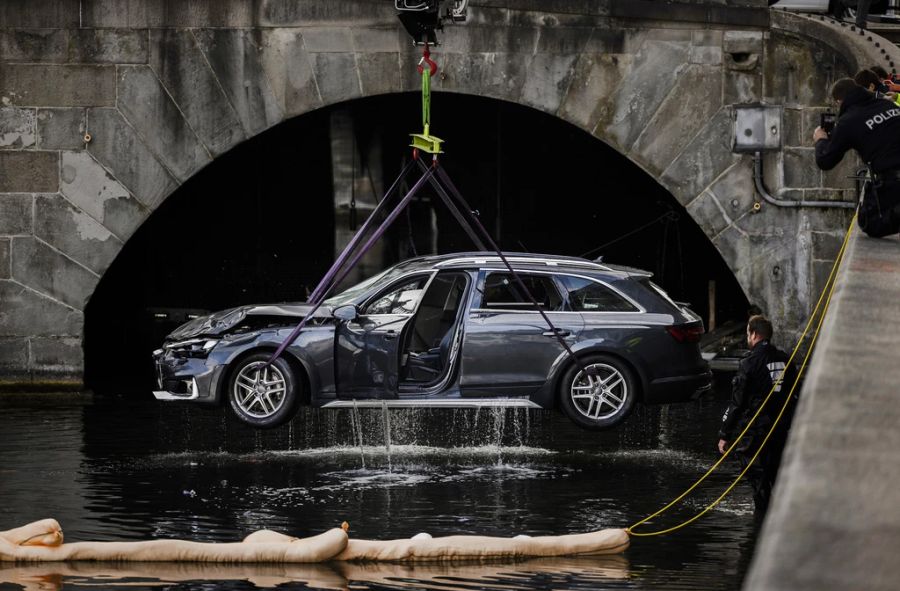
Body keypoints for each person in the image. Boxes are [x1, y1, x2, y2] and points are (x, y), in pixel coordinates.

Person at [717, 315, 797, 513]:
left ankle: (762, 516)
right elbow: (794, 394)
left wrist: (724, 434)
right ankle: (780, 510)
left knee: (754, 467)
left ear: (753, 334)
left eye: (747, 334)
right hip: (782, 426)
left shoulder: (750, 363)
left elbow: (738, 403)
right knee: (776, 469)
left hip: (758, 428)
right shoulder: (785, 359)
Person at [814, 77, 900, 238]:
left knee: (869, 222)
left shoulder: (848, 121)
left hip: (893, 178)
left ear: (840, 101)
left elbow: (825, 161)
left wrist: (821, 140)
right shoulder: (887, 104)